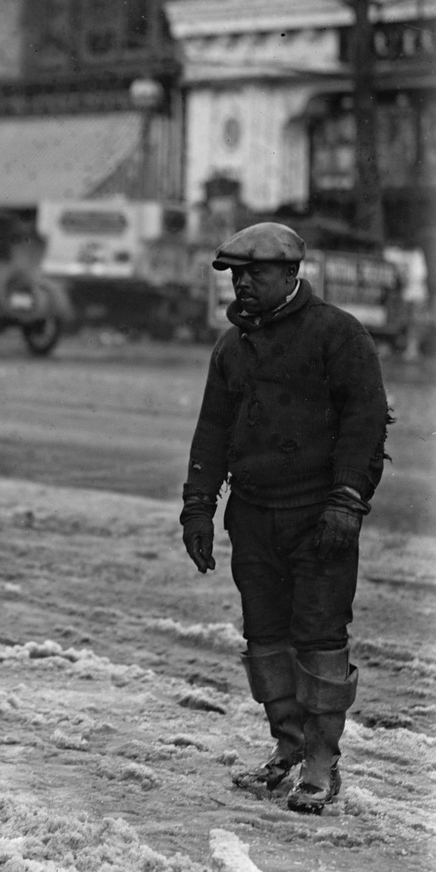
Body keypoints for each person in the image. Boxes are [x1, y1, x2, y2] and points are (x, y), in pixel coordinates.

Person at [179, 222, 391, 814]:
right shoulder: (232, 346)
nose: (243, 284)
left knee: (320, 634)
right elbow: (212, 431)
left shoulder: (338, 336)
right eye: (236, 274)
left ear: (293, 273)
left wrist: (347, 501)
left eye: (256, 273)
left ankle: (323, 761)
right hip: (253, 515)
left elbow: (365, 425)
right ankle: (289, 746)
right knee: (265, 635)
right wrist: (198, 505)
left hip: (318, 516)